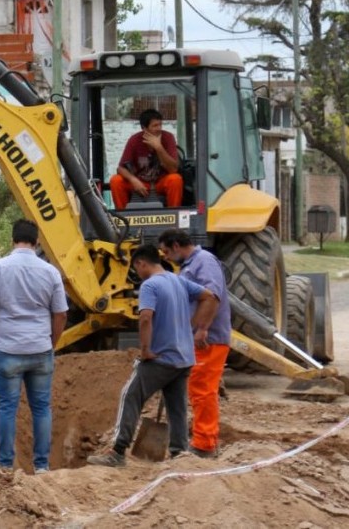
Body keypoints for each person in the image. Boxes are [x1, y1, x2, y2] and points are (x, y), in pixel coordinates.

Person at [87, 243, 217, 467]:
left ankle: (117, 451)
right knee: (176, 407)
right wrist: (193, 326)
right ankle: (179, 454)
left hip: (161, 358)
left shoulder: (150, 285)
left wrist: (146, 349)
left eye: (136, 269)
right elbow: (210, 296)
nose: (137, 273)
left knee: (131, 395)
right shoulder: (178, 280)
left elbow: (146, 317)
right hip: (184, 359)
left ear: (141, 263)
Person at [0, 219, 68, 474]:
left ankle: (5, 465)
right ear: (37, 243)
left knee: (7, 407)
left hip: (9, 350)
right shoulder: (50, 272)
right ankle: (41, 466)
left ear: (12, 240)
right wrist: (51, 344)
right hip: (40, 350)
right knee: (41, 408)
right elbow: (61, 315)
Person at [158, 229, 231, 459]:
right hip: (194, 338)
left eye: (167, 251)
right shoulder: (190, 265)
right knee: (197, 389)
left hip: (208, 339)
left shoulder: (204, 262)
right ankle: (201, 440)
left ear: (177, 246)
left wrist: (202, 329)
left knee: (202, 390)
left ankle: (204, 444)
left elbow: (213, 296)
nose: (166, 257)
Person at [109, 108, 183, 209]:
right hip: (140, 183)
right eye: (155, 126)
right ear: (144, 128)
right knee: (116, 180)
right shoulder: (134, 140)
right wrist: (133, 180)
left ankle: (174, 216)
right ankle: (123, 217)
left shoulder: (168, 137)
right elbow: (121, 168)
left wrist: (159, 147)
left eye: (160, 124)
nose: (159, 128)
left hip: (160, 182)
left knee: (175, 179)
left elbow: (173, 169)